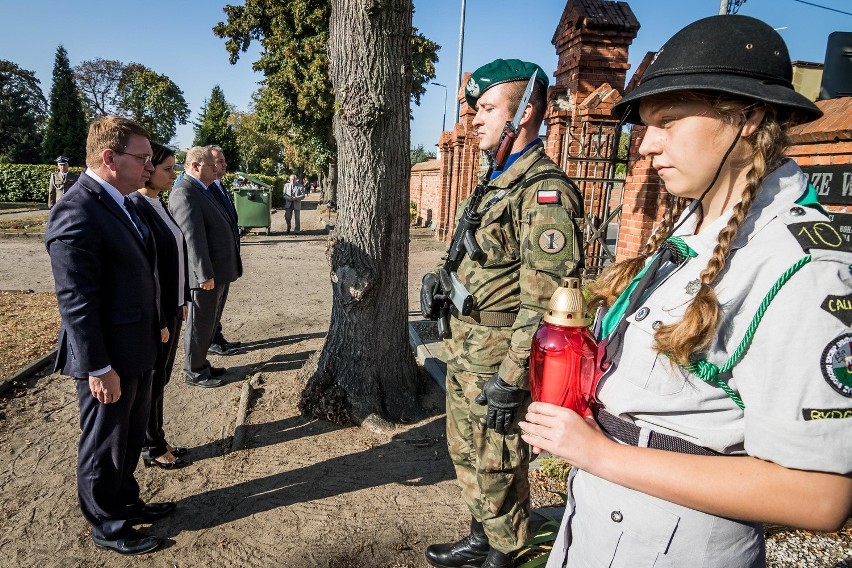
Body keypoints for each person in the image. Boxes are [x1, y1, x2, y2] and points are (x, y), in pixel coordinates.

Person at [518, 16, 852, 568]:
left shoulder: (804, 267)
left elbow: (819, 496)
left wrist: (598, 453)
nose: (646, 146)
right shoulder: (695, 223)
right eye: (646, 126)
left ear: (750, 118)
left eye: (667, 122)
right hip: (603, 526)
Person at [420, 59, 584, 568]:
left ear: (526, 112)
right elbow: (485, 260)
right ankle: (480, 535)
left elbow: (547, 297)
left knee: (499, 461)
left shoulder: (543, 192)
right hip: (467, 350)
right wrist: (443, 284)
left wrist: (513, 379)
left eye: (488, 108)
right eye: (475, 110)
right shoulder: (498, 180)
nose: (475, 119)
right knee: (466, 452)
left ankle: (507, 552)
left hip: (499, 360)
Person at [45, 115, 175, 555]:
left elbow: (141, 273)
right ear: (108, 157)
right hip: (107, 357)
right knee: (105, 442)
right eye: (141, 157)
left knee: (131, 435)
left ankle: (127, 500)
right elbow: (76, 300)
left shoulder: (122, 201)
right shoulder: (76, 208)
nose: (148, 165)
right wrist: (99, 367)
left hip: (136, 345)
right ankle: (108, 524)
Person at [129, 142, 190, 469]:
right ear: (149, 169)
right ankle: (151, 446)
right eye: (168, 168)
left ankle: (156, 437)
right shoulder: (137, 206)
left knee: (161, 377)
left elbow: (175, 256)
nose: (173, 174)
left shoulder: (157, 203)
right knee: (153, 379)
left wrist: (183, 298)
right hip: (158, 310)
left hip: (173, 305)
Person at [169, 146, 242, 388]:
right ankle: (194, 371)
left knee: (207, 322)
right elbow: (192, 239)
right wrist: (203, 273)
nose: (216, 170)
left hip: (215, 271)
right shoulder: (185, 192)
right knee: (199, 325)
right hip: (204, 275)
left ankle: (201, 364)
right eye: (211, 166)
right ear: (195, 166)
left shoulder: (203, 189)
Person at [207, 145, 242, 356]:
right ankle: (210, 340)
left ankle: (216, 335)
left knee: (219, 304)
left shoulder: (219, 185)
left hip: (226, 258)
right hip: (214, 261)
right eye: (219, 161)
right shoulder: (206, 188)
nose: (224, 164)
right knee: (210, 307)